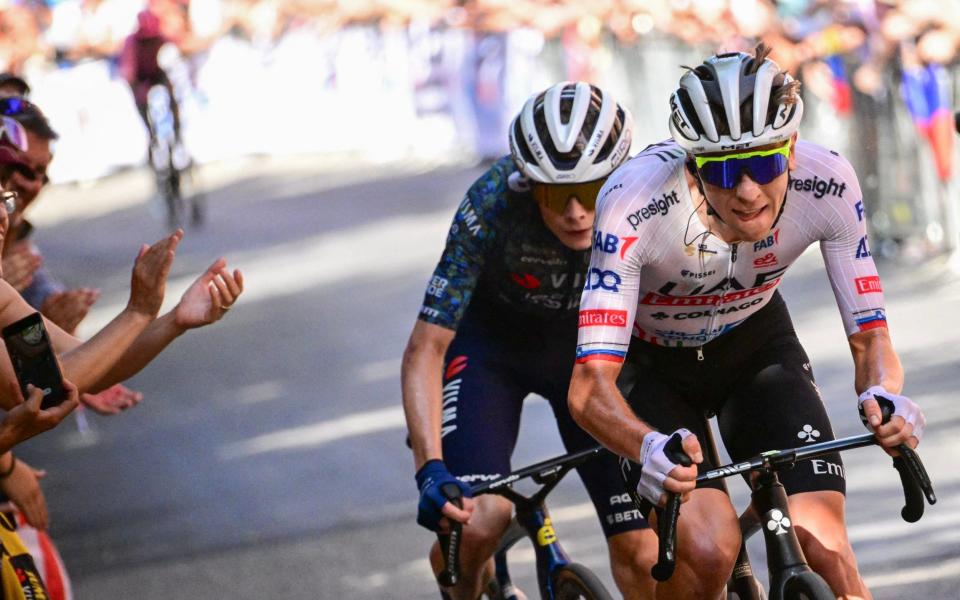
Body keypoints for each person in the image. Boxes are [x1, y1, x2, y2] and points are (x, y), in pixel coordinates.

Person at [567, 44, 925, 599]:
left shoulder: (826, 182)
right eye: (725, 170)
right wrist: (643, 447)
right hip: (651, 365)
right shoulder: (633, 203)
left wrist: (886, 395)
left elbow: (869, 335)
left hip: (755, 347)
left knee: (827, 547)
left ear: (793, 149)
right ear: (693, 165)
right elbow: (589, 388)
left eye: (764, 163)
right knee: (709, 551)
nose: (748, 191)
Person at [402, 81, 658, 600]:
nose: (574, 212)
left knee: (644, 550)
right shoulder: (491, 202)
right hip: (492, 351)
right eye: (553, 193)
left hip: (588, 354)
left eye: (589, 192)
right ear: (527, 183)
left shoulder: (647, 196)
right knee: (477, 523)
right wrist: (429, 468)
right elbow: (426, 346)